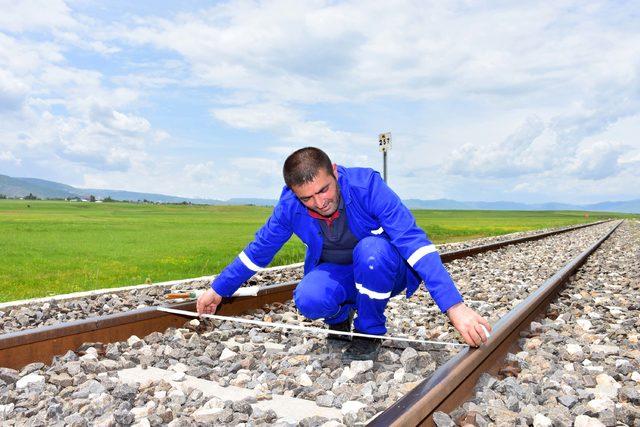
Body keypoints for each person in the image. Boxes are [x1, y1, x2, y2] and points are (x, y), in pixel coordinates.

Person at [197, 147, 491, 360]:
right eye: (307, 198)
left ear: (334, 171)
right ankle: (340, 316)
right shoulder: (289, 206)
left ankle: (369, 332)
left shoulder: (368, 186)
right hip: (339, 271)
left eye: (324, 189)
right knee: (309, 299)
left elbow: (413, 243)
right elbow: (259, 251)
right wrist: (218, 290)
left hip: (384, 266)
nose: (319, 202)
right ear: (292, 192)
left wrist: (455, 307)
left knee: (371, 252)